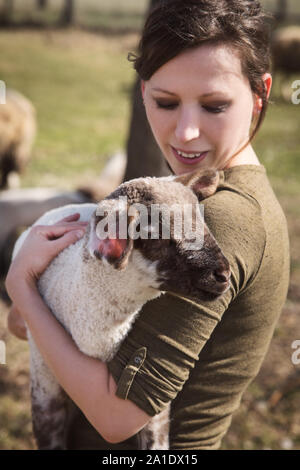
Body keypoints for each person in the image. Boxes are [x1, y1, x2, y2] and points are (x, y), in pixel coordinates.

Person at [6, 0, 290, 450]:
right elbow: (45, 326)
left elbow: (116, 417)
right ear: (142, 93)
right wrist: (40, 304)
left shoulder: (217, 220)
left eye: (214, 106)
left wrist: (21, 282)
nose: (185, 133)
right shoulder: (190, 198)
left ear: (261, 94)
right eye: (166, 102)